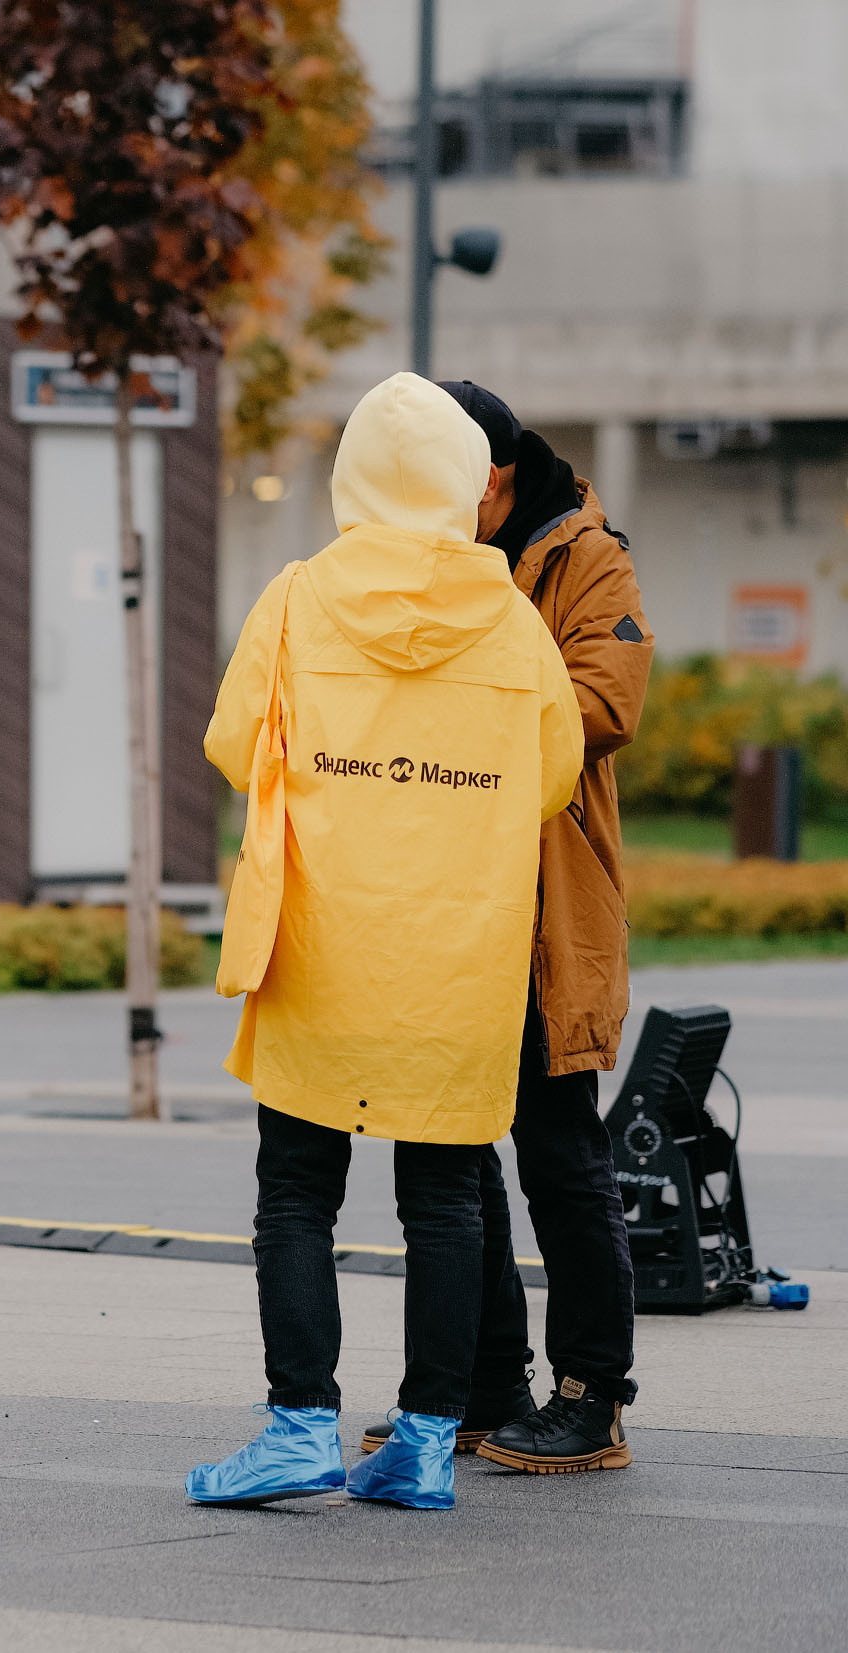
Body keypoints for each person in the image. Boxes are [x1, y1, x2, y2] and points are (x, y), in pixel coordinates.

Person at [188, 372, 584, 1512]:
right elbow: (551, 775)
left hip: (318, 938)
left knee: (296, 1193)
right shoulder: (510, 621)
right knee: (445, 1201)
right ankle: (420, 1439)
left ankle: (299, 1426)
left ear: (352, 475)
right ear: (466, 484)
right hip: (455, 954)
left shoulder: (299, 598)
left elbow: (229, 739)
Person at [360, 381, 650, 1474]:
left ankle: (591, 1395)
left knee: (555, 1149)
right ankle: (481, 1386)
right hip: (435, 898)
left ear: (489, 475)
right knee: (443, 1145)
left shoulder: (584, 556)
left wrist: (456, 701)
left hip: (541, 907)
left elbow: (603, 706)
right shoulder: (425, 553)